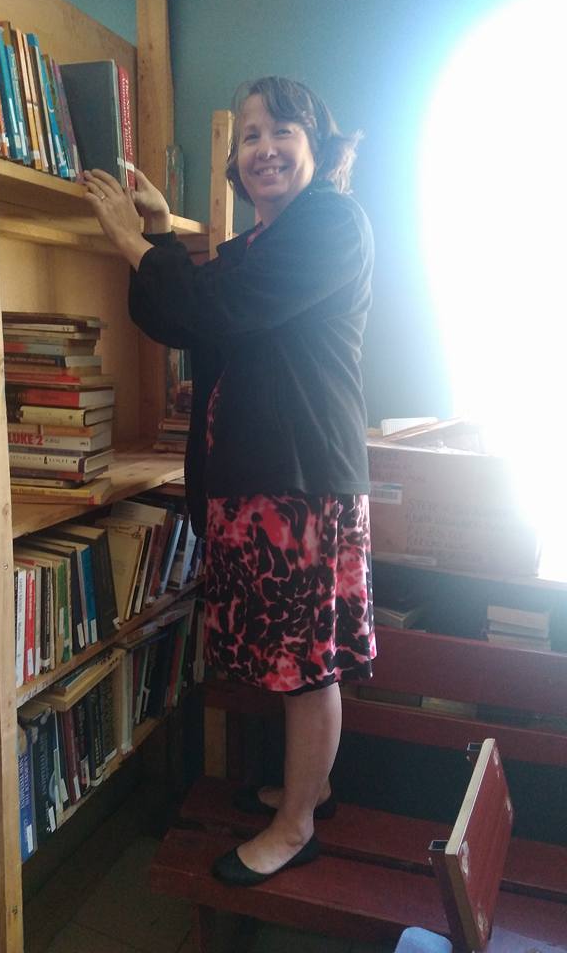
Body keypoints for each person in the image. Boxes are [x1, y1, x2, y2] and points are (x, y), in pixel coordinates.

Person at [81, 75, 376, 887]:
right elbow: (179, 314)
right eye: (250, 136)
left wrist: (134, 243)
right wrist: (155, 234)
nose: (264, 149)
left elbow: (219, 308)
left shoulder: (331, 223)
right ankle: (307, 790)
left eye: (282, 131)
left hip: (301, 483)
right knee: (289, 655)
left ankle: (297, 824)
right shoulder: (256, 247)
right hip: (257, 483)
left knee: (306, 664)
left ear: (317, 146)